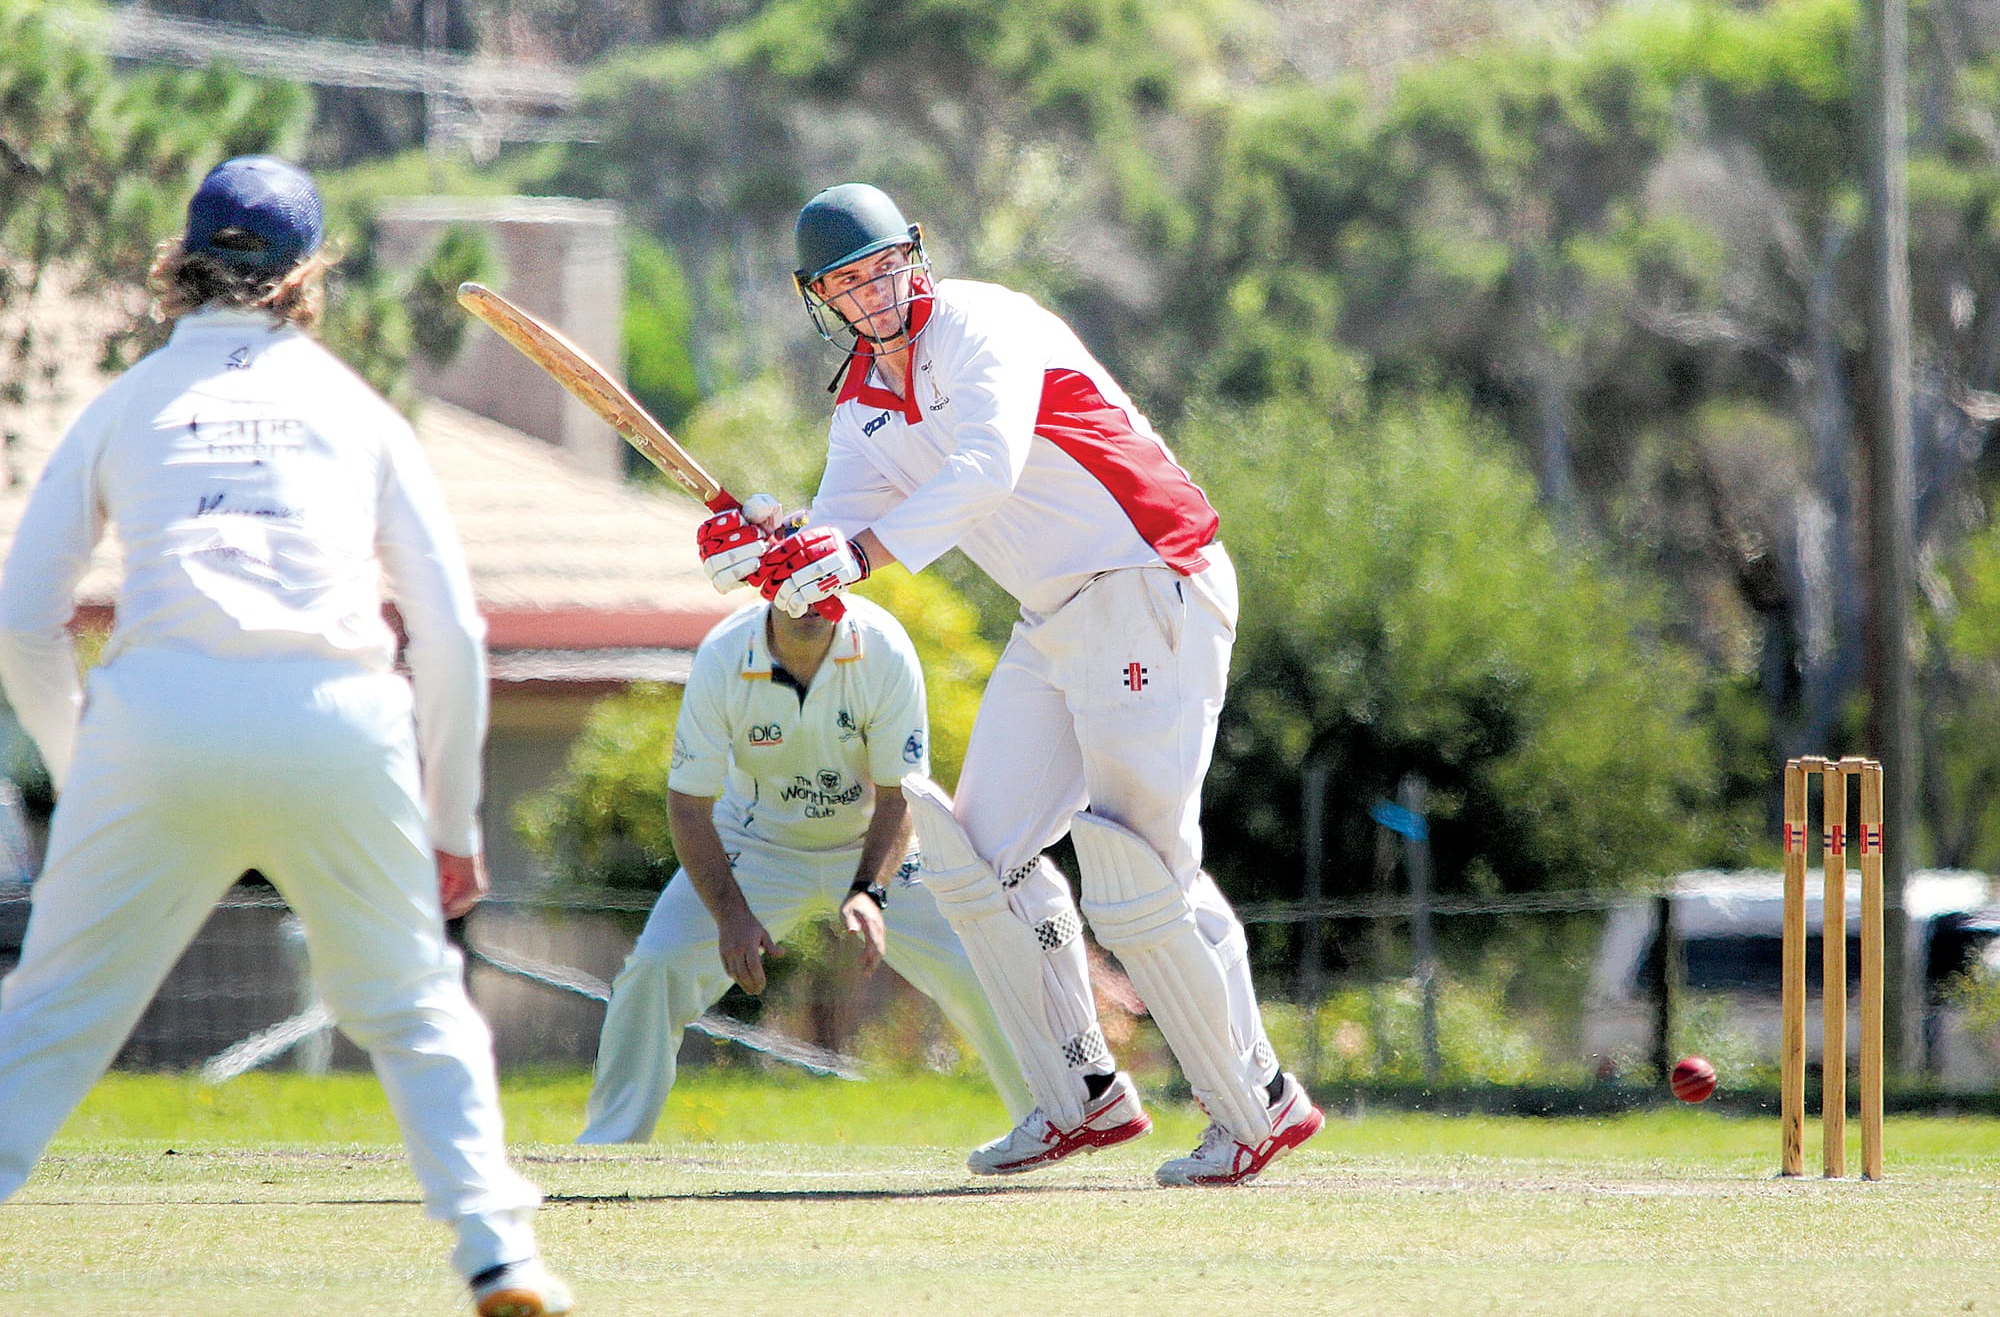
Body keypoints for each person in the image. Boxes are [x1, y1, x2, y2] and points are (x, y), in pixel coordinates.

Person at [0, 156, 572, 1316]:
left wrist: (86, 773)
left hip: (154, 718)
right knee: (415, 1007)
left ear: (181, 262)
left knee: (51, 1017)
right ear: (308, 276)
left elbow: (23, 618)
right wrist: (451, 818)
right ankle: (496, 1254)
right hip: (335, 719)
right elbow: (452, 632)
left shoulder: (127, 405)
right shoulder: (353, 408)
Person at [699, 182, 1324, 1186]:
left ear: (912, 256)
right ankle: (1078, 1091)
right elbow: (835, 535)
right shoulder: (861, 407)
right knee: (971, 857)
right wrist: (776, 549)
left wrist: (845, 553)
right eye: (846, 284)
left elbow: (985, 466)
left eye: (880, 268)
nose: (871, 294)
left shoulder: (988, 326)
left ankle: (1255, 1100)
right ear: (820, 298)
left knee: (1136, 866)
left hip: (1147, 578)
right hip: (1055, 616)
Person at [578, 589, 1033, 1143]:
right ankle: (611, 1142)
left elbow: (899, 797)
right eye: (794, 586)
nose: (812, 601)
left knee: (982, 966)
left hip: (874, 844)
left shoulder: (884, 648)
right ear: (769, 590)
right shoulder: (724, 653)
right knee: (655, 967)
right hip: (757, 845)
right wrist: (731, 916)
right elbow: (688, 804)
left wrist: (870, 891)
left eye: (825, 585)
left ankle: (1052, 1122)